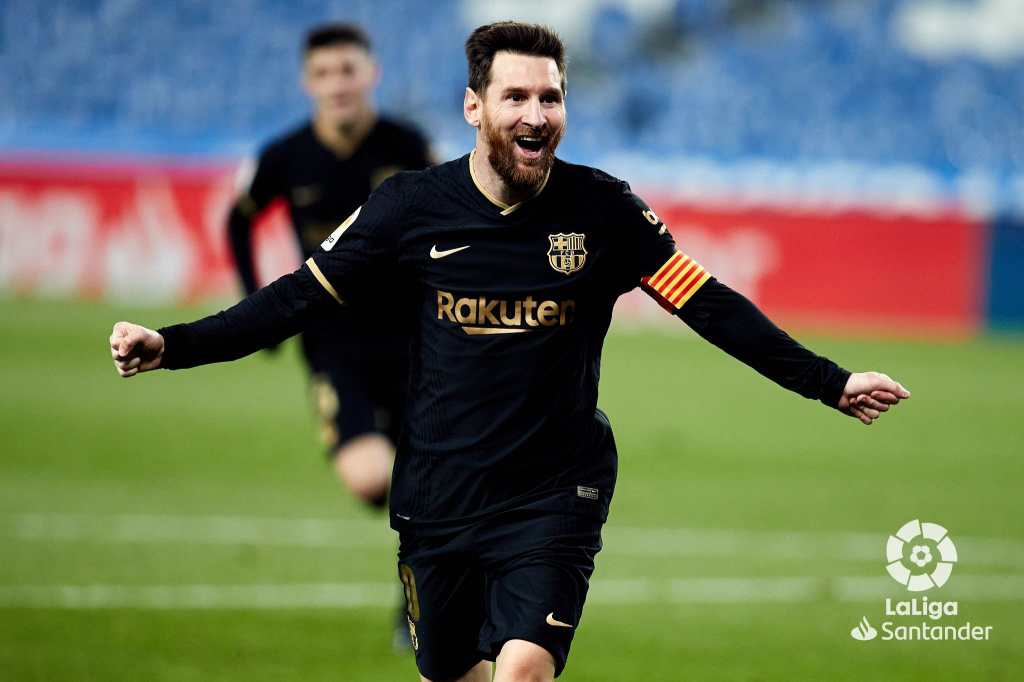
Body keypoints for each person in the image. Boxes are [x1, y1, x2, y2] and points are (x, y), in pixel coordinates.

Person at [110, 21, 911, 682]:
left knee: (523, 670)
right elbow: (293, 298)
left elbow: (708, 304)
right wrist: (171, 345)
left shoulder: (604, 209)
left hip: (554, 491)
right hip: (439, 493)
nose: (537, 113)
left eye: (551, 97)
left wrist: (830, 383)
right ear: (474, 106)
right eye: (517, 96)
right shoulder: (408, 208)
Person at [227, 23, 431, 505]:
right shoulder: (285, 156)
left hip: (410, 334)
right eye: (323, 73)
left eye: (347, 70)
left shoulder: (408, 146)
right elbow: (238, 221)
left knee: (435, 478)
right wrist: (255, 300)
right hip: (332, 337)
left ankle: (426, 546)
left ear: (371, 73)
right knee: (371, 480)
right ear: (307, 82)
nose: (337, 84)